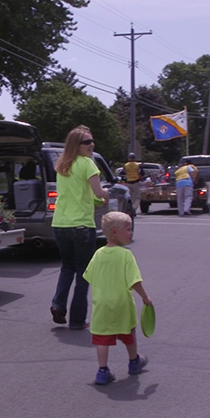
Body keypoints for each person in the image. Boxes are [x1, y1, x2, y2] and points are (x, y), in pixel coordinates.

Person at [50, 126, 109, 330]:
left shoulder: (62, 166)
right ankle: (77, 319)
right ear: (76, 145)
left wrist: (96, 199)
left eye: (92, 141)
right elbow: (98, 191)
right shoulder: (87, 164)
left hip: (60, 224)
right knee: (84, 272)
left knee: (67, 268)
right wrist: (106, 195)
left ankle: (58, 304)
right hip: (82, 226)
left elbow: (76, 194)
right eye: (87, 142)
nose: (91, 145)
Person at [83, 211, 151, 385]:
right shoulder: (126, 255)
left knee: (102, 338)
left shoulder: (98, 254)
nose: (131, 233)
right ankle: (134, 361)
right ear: (114, 232)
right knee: (128, 333)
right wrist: (145, 297)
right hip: (122, 303)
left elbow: (89, 276)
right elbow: (134, 280)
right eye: (128, 229)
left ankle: (102, 370)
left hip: (102, 304)